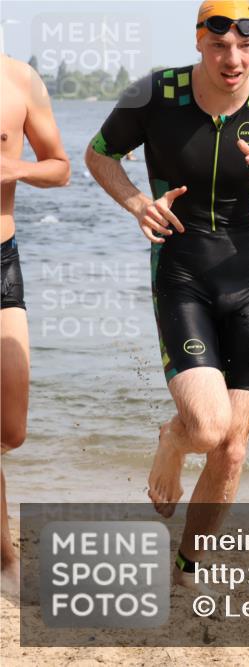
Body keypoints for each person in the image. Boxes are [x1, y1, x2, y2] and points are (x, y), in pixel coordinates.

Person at [85, 0, 249, 588]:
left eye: (245, 46)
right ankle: (172, 439)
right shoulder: (154, 94)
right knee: (205, 427)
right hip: (182, 267)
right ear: (200, 42)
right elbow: (99, 154)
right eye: (220, 45)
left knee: (234, 448)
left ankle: (186, 568)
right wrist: (137, 203)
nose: (233, 58)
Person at [0, 55, 71, 597]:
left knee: (10, 429)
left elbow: (60, 166)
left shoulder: (18, 79)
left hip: (2, 259)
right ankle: (4, 557)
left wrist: (14, 169)